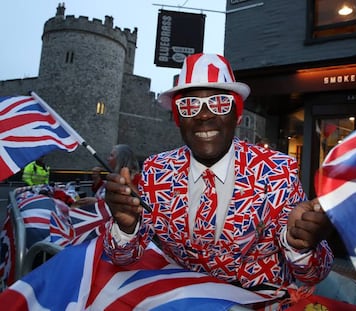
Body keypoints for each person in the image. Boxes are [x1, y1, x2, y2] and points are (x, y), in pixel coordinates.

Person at [103, 53, 334, 306]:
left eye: (220, 103)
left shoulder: (278, 171)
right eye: (190, 105)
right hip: (183, 301)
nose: (204, 115)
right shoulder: (157, 172)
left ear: (236, 114)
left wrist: (302, 244)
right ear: (178, 118)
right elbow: (121, 258)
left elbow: (314, 274)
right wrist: (125, 228)